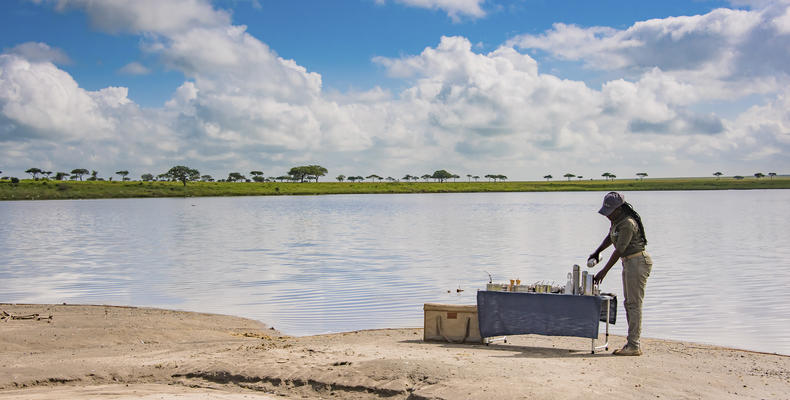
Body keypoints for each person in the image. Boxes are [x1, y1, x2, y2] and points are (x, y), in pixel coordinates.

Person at [589, 192, 652, 356]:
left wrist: (604, 271)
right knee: (629, 303)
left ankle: (634, 346)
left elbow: (619, 250)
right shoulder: (617, 221)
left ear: (619, 209)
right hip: (629, 262)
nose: (607, 216)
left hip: (637, 262)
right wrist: (597, 252)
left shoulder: (628, 223)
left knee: (634, 304)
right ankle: (632, 343)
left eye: (610, 212)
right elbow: (610, 238)